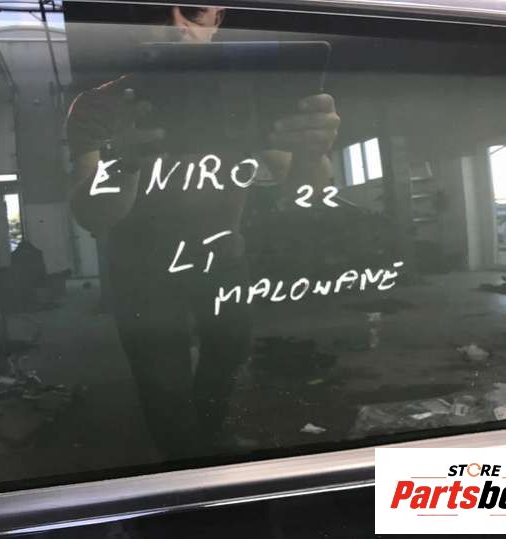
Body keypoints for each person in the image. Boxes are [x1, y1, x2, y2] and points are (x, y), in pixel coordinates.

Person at [67, 5, 340, 458]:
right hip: (141, 268)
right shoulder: (100, 104)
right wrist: (125, 159)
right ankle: (187, 464)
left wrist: (313, 151)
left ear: (218, 20)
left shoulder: (248, 95)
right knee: (163, 379)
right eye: (158, 11)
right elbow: (93, 215)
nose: (178, 27)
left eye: (194, 12)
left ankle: (205, 445)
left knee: (229, 352)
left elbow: (303, 188)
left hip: (222, 254)